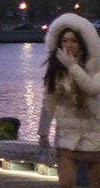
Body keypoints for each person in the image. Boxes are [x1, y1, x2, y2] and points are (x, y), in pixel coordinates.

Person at [38, 13, 100, 188]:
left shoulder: (96, 66)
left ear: (83, 43)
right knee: (65, 184)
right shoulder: (56, 70)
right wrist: (43, 133)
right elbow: (48, 101)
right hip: (67, 136)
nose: (68, 45)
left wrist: (73, 67)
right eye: (64, 41)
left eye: (73, 41)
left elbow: (94, 89)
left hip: (95, 136)